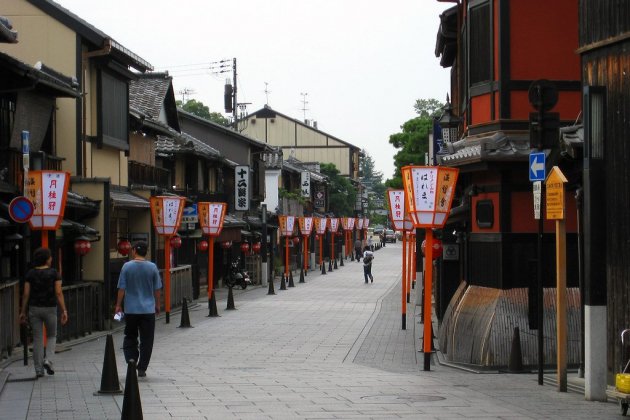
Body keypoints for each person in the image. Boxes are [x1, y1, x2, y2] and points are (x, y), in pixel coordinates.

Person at [114, 241, 162, 378]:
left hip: (131, 309)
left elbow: (121, 288)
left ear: (134, 250)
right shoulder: (152, 267)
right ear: (146, 252)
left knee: (130, 335)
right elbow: (157, 289)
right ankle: (142, 368)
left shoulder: (126, 267)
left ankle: (131, 358)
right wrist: (157, 304)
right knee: (147, 340)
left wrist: (118, 305)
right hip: (148, 310)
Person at [19, 247, 68, 378]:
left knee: (37, 339)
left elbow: (26, 294)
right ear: (47, 259)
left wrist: (23, 311)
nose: (51, 259)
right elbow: (58, 293)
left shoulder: (30, 274)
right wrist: (64, 309)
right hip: (50, 308)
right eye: (50, 257)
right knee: (52, 335)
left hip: (34, 309)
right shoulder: (54, 273)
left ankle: (38, 370)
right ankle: (48, 360)